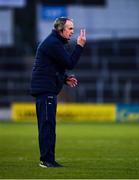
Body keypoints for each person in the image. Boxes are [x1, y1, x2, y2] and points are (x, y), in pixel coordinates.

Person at [30, 17, 86, 168]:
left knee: (48, 126)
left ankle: (49, 159)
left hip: (46, 89)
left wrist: (64, 78)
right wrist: (80, 46)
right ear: (60, 29)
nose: (72, 32)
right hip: (45, 90)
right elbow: (69, 63)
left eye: (72, 29)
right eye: (69, 28)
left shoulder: (54, 42)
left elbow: (51, 68)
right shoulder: (54, 43)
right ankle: (46, 160)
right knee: (47, 126)